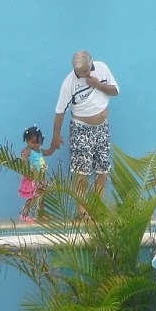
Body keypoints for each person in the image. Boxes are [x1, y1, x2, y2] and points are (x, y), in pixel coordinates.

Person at [51, 49, 118, 199]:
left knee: (103, 169)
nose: (84, 75)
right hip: (81, 129)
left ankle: (98, 208)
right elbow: (60, 111)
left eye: (86, 70)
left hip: (102, 128)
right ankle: (83, 212)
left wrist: (98, 85)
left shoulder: (102, 68)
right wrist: (56, 135)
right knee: (82, 170)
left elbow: (115, 91)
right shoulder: (69, 83)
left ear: (91, 63)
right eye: (80, 72)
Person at [17, 125, 46, 222]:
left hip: (40, 178)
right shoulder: (27, 150)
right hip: (32, 177)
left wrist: (54, 146)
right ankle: (24, 214)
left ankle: (41, 214)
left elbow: (49, 152)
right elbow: (23, 156)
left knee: (42, 197)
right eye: (33, 142)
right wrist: (26, 166)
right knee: (32, 197)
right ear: (27, 141)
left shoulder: (40, 151)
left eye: (38, 142)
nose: (36, 144)